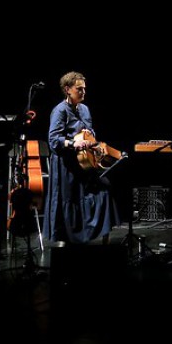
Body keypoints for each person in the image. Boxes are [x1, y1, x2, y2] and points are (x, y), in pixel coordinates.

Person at [43, 71, 120, 246]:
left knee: (104, 190)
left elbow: (90, 132)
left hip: (84, 164)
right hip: (66, 166)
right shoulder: (59, 111)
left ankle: (102, 238)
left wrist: (90, 137)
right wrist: (73, 143)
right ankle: (66, 241)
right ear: (67, 89)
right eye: (79, 89)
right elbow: (53, 140)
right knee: (70, 201)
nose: (83, 92)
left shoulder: (84, 109)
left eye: (84, 89)